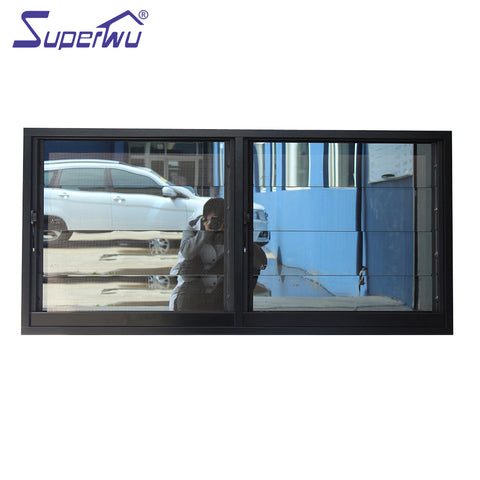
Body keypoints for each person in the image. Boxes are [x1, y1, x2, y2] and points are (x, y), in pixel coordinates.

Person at [169, 198, 225, 311]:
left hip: (217, 293)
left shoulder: (229, 231)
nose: (220, 225)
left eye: (223, 221)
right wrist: (206, 233)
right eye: (216, 220)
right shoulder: (192, 227)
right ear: (204, 220)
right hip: (191, 293)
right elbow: (187, 253)